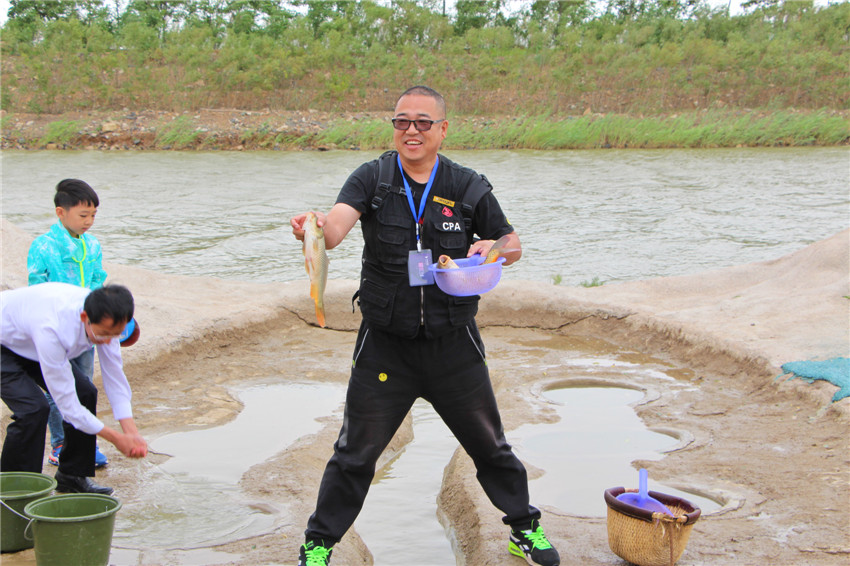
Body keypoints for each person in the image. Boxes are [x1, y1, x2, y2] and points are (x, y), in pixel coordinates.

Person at [289, 86, 560, 566]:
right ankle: (318, 545)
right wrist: (311, 224)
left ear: (442, 129)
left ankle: (524, 529)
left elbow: (512, 242)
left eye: (422, 122)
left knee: (490, 445)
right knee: (354, 453)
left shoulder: (466, 184)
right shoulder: (371, 178)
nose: (410, 131)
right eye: (401, 122)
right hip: (385, 345)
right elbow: (333, 232)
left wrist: (492, 248)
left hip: (453, 343)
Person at [0, 283, 148, 494]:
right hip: (5, 341)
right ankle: (14, 490)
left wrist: (131, 432)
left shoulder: (111, 320)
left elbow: (115, 378)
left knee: (85, 392)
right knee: (33, 409)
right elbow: (68, 407)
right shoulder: (52, 328)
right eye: (103, 334)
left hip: (28, 340)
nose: (107, 341)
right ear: (84, 317)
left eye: (114, 334)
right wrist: (116, 438)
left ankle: (72, 476)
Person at [27, 179, 110, 469]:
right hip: (54, 331)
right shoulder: (43, 246)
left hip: (84, 331)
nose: (89, 222)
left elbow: (98, 280)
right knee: (55, 387)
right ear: (61, 213)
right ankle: (60, 443)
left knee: (84, 386)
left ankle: (83, 443)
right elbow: (36, 288)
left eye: (93, 215)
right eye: (83, 215)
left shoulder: (93, 244)